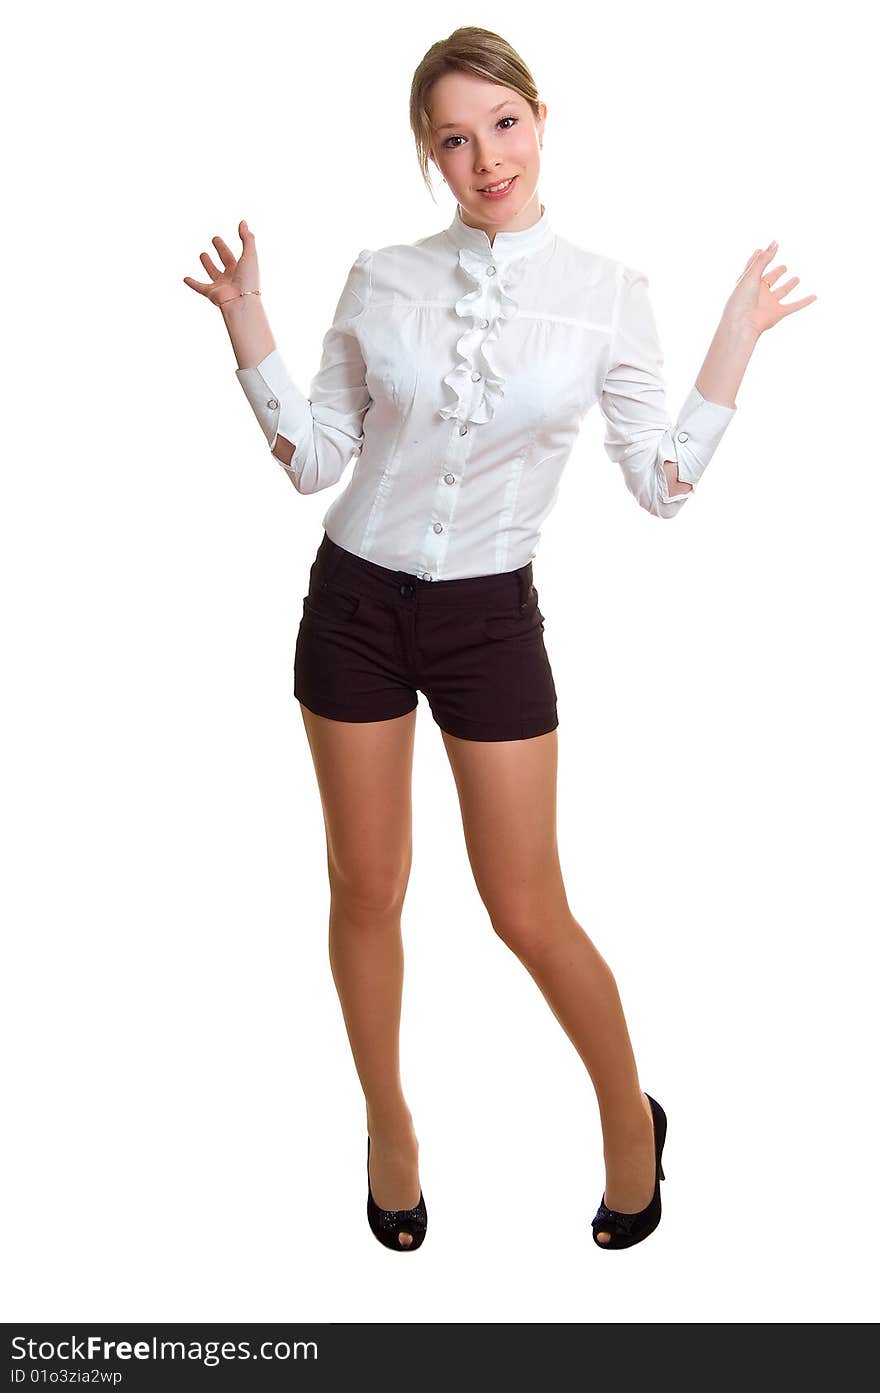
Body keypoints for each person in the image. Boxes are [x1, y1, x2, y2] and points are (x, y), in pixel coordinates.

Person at [184, 26, 816, 1253]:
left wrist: (734, 341)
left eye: (503, 125)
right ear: (430, 157)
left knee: (526, 908)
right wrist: (247, 328)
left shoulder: (606, 295)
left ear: (539, 115)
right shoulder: (382, 277)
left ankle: (631, 1124)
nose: (485, 160)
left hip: (489, 622)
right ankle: (388, 1126)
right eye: (454, 140)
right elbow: (316, 461)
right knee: (366, 888)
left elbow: (664, 483)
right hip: (355, 604)